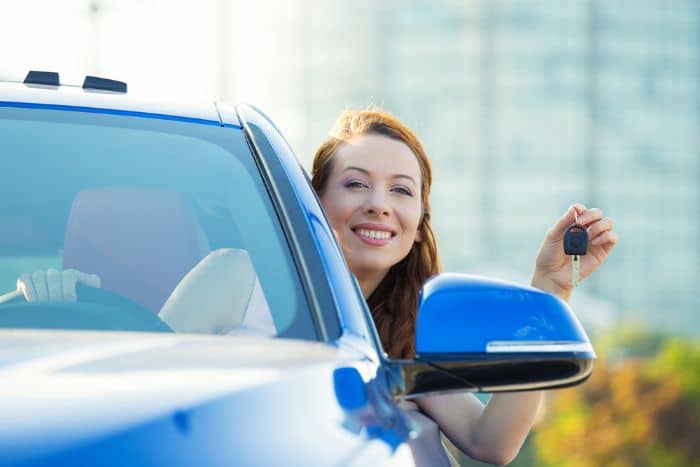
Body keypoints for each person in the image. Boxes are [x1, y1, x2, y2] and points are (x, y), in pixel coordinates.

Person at [310, 108, 617, 465]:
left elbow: (490, 440)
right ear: (314, 200)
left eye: (400, 190)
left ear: (421, 223)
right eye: (356, 184)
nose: (379, 205)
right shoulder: (246, 294)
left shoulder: (400, 348)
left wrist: (550, 289)